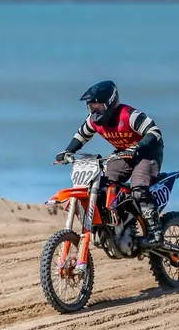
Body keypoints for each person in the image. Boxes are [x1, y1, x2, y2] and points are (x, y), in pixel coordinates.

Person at [56, 80, 166, 246]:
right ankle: (119, 225)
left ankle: (155, 232)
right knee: (104, 187)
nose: (94, 111)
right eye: (91, 107)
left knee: (138, 189)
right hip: (124, 154)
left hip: (147, 153)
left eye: (98, 107)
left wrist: (137, 146)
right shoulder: (93, 121)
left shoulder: (129, 115)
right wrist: (67, 152)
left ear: (110, 103)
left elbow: (154, 132)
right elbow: (82, 136)